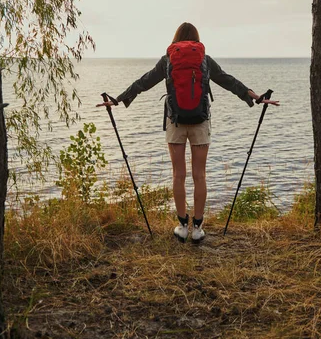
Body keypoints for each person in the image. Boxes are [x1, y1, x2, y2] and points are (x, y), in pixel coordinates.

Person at [99, 22, 279, 244]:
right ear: (196, 39)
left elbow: (144, 81)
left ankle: (182, 226)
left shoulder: (168, 59)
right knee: (199, 175)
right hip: (201, 121)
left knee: (178, 175)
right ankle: (197, 228)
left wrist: (118, 99)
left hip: (175, 121)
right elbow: (228, 80)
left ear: (176, 39)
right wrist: (255, 97)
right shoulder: (204, 59)